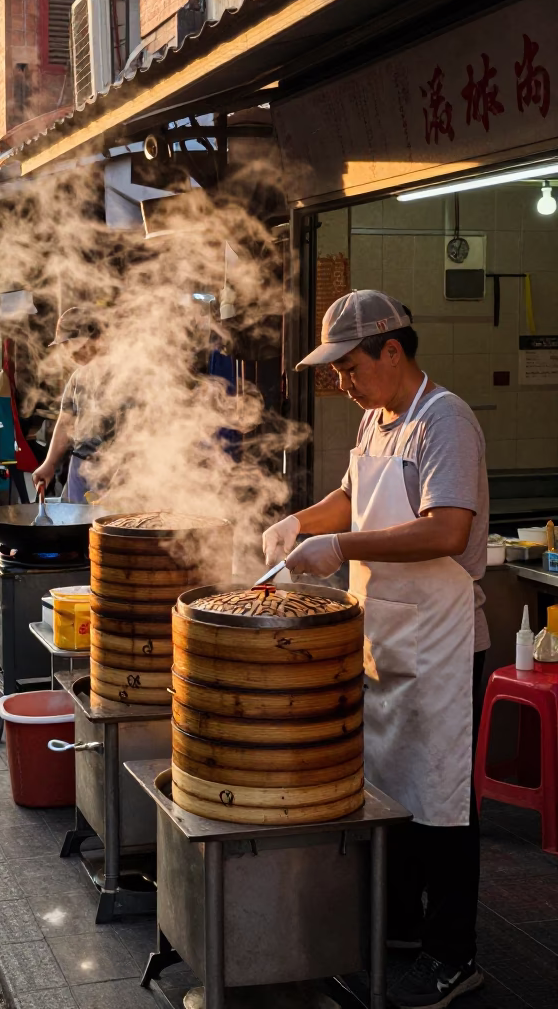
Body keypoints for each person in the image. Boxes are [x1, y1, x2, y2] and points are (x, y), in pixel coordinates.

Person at [262, 290, 487, 1009]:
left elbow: (448, 530)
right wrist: (297, 523)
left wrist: (338, 546)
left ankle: (452, 959)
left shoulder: (444, 419)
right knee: (390, 790)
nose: (342, 382)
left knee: (441, 802)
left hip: (441, 645)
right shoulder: (374, 418)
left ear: (393, 350)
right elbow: (348, 495)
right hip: (384, 637)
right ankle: (398, 934)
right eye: (335, 371)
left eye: (350, 366)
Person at [31, 307, 110, 503]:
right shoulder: (78, 377)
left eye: (72, 345)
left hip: (114, 471)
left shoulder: (126, 374)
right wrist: (49, 463)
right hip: (79, 466)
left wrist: (121, 481)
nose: (69, 354)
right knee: (74, 525)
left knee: (108, 530)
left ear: (95, 340)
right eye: (65, 346)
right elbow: (65, 421)